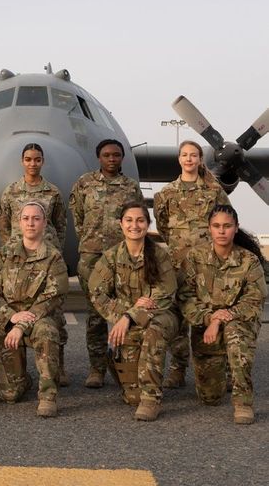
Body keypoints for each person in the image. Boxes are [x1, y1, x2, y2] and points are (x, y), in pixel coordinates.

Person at [88, 202, 179, 421]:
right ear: (121, 224)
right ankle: (135, 386)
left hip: (161, 316)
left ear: (148, 225)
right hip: (128, 321)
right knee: (131, 397)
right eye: (129, 220)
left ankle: (151, 399)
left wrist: (130, 315)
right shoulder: (111, 257)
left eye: (140, 220)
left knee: (154, 332)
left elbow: (166, 294)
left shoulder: (159, 255)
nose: (134, 225)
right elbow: (96, 293)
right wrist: (124, 315)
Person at [178, 205, 266, 425]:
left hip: (239, 322)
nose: (222, 231)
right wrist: (210, 319)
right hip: (206, 326)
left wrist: (222, 317)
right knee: (210, 398)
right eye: (216, 226)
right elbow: (185, 297)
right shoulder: (195, 258)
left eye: (227, 226)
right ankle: (225, 369)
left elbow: (255, 299)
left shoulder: (249, 260)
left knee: (235, 336)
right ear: (209, 228)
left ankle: (243, 402)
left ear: (236, 228)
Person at [153, 140, 231, 388]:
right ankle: (177, 370)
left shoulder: (213, 191)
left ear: (200, 159)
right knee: (178, 320)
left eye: (193, 155)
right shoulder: (166, 193)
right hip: (178, 266)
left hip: (208, 266)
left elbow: (225, 220)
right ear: (179, 159)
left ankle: (222, 371)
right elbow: (163, 226)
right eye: (184, 155)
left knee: (213, 315)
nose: (189, 159)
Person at [69, 139, 144, 388]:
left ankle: (128, 366)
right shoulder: (84, 184)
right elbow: (78, 217)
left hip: (123, 257)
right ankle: (97, 369)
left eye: (116, 155)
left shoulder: (130, 187)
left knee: (127, 311)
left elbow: (138, 218)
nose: (112, 159)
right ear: (98, 158)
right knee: (95, 315)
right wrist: (90, 242)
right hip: (92, 257)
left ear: (122, 158)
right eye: (106, 155)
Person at [0, 201, 69, 417]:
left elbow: (53, 297)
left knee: (47, 331)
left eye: (36, 218)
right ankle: (22, 379)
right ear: (19, 223)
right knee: (9, 394)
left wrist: (21, 324)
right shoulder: (4, 255)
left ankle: (48, 395)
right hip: (8, 322)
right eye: (26, 218)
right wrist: (12, 317)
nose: (31, 223)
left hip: (39, 319)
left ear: (44, 223)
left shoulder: (54, 257)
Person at [0, 142, 69, 385]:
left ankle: (57, 369)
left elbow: (60, 224)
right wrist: (10, 247)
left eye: (37, 159)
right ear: (22, 161)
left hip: (46, 257)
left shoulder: (53, 192)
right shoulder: (11, 191)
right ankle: (16, 369)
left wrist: (55, 247)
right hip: (18, 258)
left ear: (42, 161)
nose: (33, 163)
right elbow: (4, 223)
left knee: (53, 313)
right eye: (28, 159)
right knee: (16, 306)